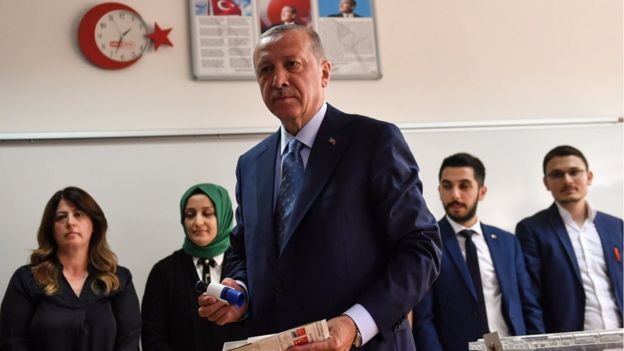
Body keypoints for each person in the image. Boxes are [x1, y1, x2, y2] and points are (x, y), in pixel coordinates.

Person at [197, 24, 442, 351]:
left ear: (324, 73)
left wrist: (355, 323)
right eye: (266, 69)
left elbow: (421, 247)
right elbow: (243, 249)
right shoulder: (251, 164)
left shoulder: (373, 142)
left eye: (292, 64)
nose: (278, 80)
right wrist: (239, 289)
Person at [411, 153, 544, 351]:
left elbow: (528, 305)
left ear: (482, 191)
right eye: (447, 186)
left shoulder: (508, 243)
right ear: (439, 191)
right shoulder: (427, 243)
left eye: (464, 186)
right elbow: (424, 319)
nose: (455, 195)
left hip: (511, 346)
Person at [0, 186, 141, 351]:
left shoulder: (119, 279)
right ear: (51, 229)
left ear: (94, 225)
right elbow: (12, 342)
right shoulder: (26, 279)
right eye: (61, 217)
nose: (70, 222)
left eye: (78, 215)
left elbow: (129, 343)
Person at [515, 145, 623, 333]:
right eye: (557, 174)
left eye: (574, 172)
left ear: (589, 177)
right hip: (570, 343)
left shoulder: (615, 226)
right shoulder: (532, 229)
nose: (567, 180)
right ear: (546, 182)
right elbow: (530, 297)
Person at [141, 183, 247, 351]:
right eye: (190, 215)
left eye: (207, 213)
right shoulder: (163, 272)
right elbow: (153, 337)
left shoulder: (245, 267)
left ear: (224, 215)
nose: (198, 222)